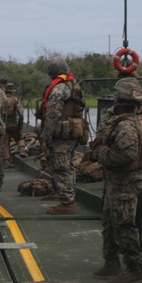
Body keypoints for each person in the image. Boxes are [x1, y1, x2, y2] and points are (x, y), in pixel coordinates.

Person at [93, 78, 142, 283]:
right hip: (116, 181)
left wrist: (102, 154)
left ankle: (133, 270)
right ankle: (112, 262)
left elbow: (127, 155)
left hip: (125, 182)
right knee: (110, 221)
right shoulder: (119, 121)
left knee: (125, 225)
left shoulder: (127, 126)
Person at [40, 57, 86, 215]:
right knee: (69, 166)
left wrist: (45, 138)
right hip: (72, 132)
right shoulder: (74, 85)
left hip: (62, 134)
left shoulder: (59, 89)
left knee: (61, 167)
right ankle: (67, 195)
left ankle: (67, 203)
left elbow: (52, 115)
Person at [1, 82, 25, 166]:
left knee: (5, 142)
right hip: (13, 124)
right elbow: (21, 113)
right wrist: (20, 125)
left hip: (3, 125)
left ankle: (6, 161)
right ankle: (22, 149)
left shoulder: (1, 100)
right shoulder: (15, 100)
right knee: (20, 137)